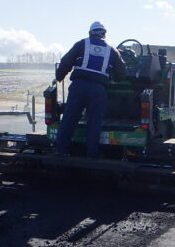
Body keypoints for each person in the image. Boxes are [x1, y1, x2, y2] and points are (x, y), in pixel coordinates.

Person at [54, 21, 127, 158]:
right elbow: (121, 72)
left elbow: (66, 62)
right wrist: (113, 79)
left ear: (90, 33)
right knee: (94, 121)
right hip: (98, 89)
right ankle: (92, 154)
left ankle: (60, 150)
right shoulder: (112, 50)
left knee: (69, 119)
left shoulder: (81, 44)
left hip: (78, 87)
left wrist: (59, 76)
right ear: (104, 34)